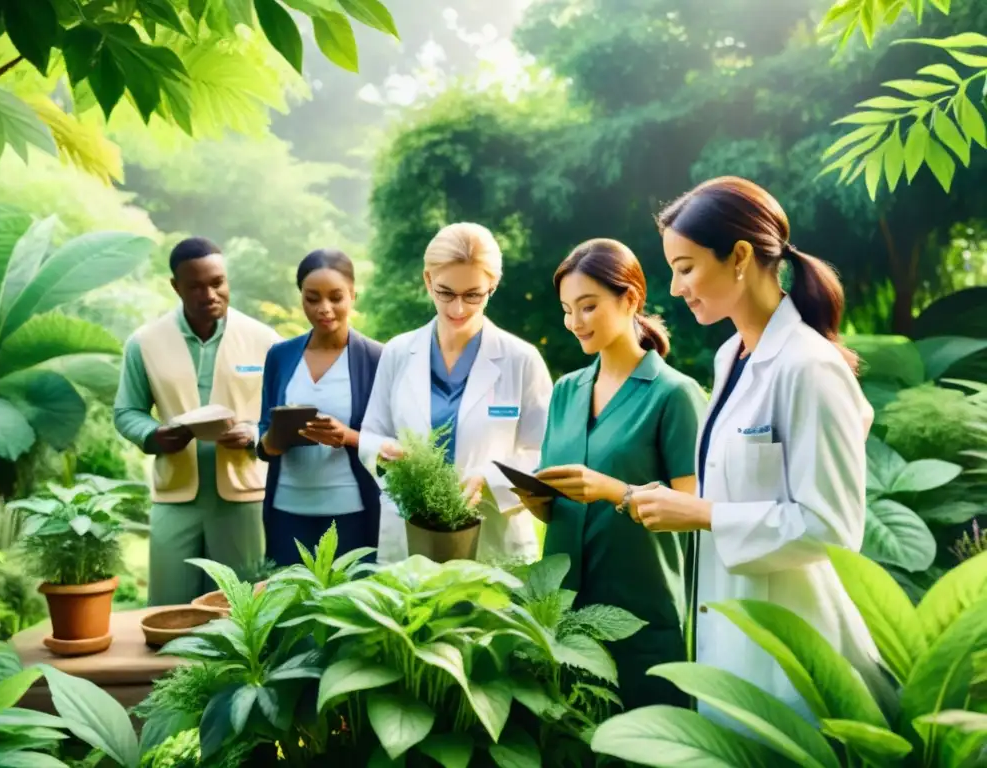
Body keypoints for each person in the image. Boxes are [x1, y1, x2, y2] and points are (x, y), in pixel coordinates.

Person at [631, 176, 881, 721]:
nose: (675, 288)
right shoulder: (731, 357)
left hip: (791, 650)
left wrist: (703, 514)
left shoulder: (809, 366)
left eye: (686, 267)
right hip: (731, 632)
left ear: (740, 256)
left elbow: (834, 529)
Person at [514, 238, 705, 709]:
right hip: (564, 620)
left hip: (640, 617)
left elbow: (695, 511)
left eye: (588, 306)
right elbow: (563, 503)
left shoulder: (674, 395)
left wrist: (612, 491)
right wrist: (539, 501)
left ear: (631, 300)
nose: (574, 322)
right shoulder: (565, 391)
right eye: (566, 309)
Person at [359, 222, 554, 564]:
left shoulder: (521, 360)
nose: (458, 309)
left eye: (473, 295)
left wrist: (488, 478)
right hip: (411, 534)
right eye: (446, 292)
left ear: (492, 286)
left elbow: (545, 452)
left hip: (492, 537)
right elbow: (371, 434)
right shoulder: (398, 352)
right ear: (427, 280)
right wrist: (383, 450)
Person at [115, 237, 281, 606]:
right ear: (176, 287)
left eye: (217, 282)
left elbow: (282, 412)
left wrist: (254, 432)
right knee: (168, 606)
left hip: (243, 496)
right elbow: (126, 412)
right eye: (196, 286)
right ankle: (171, 667)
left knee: (243, 606)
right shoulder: (144, 343)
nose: (210, 293)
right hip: (176, 495)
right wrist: (152, 435)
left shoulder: (265, 341)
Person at [256, 249, 383, 566]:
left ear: (353, 295)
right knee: (289, 608)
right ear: (301, 298)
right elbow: (262, 433)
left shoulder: (377, 358)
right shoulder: (280, 356)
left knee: (347, 609)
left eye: (335, 297)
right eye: (312, 299)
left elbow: (395, 440)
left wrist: (348, 436)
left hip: (351, 511)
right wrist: (273, 440)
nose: (324, 309)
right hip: (286, 511)